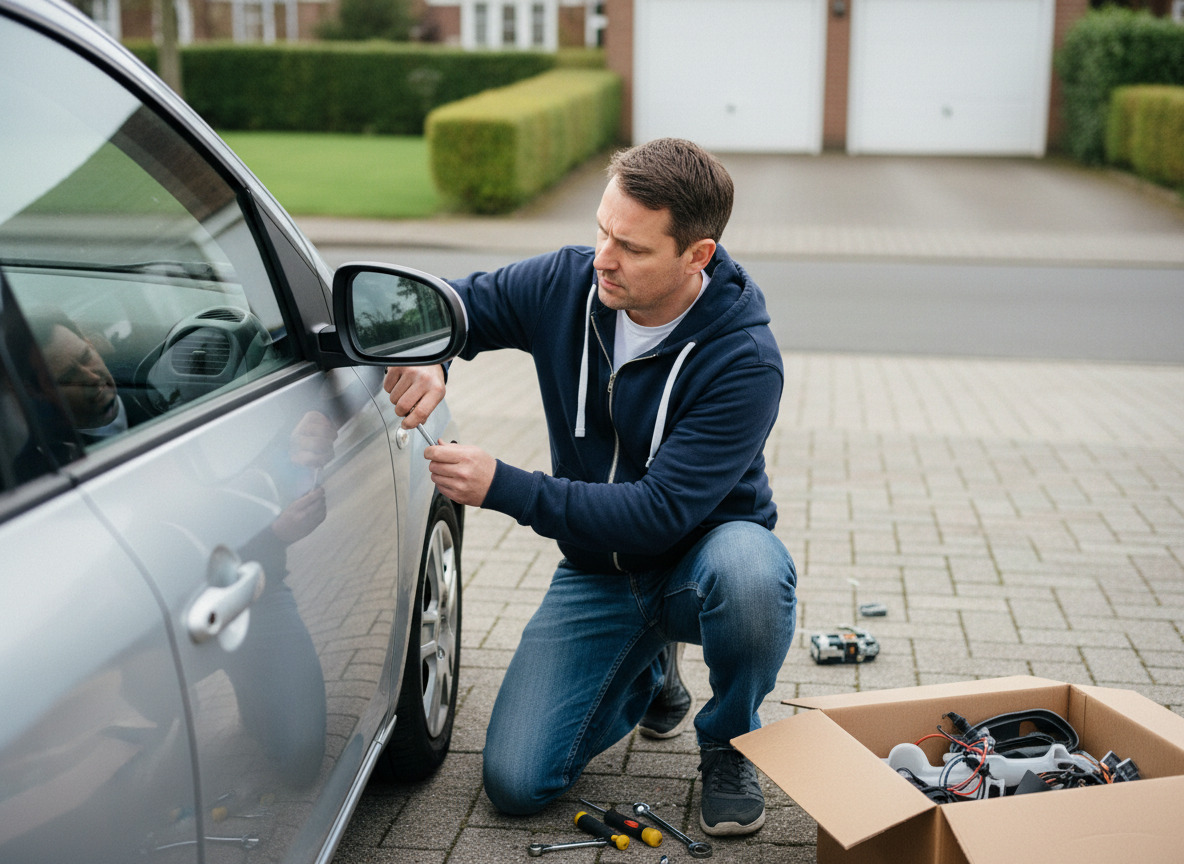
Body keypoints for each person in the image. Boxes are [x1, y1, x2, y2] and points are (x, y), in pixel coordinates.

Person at [383, 138, 797, 836]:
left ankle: (727, 738)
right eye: (602, 231)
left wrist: (503, 485)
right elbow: (455, 305)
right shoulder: (568, 284)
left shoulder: (743, 360)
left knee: (754, 574)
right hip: (598, 574)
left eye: (631, 247)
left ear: (696, 256)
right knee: (515, 784)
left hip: (698, 565)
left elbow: (658, 513)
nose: (604, 257)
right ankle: (650, 670)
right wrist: (432, 354)